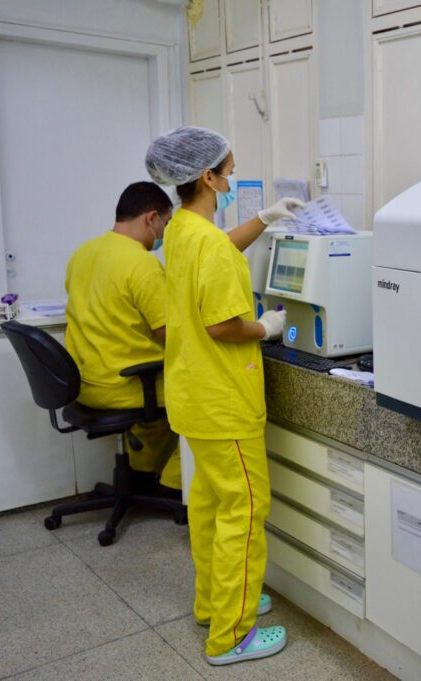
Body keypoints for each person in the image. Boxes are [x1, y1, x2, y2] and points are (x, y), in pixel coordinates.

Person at [145, 126, 302, 665]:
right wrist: (267, 326)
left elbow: (219, 249)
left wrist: (266, 219)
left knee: (212, 507)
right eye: (229, 174)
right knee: (245, 511)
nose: (233, 183)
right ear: (208, 177)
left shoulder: (180, 230)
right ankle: (231, 636)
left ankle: (215, 603)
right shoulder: (205, 243)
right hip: (224, 402)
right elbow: (223, 326)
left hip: (191, 396)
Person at [65, 181, 181, 492]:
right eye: (166, 223)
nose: (165, 233)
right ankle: (172, 485)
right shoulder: (142, 265)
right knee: (204, 395)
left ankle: (141, 475)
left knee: (159, 393)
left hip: (83, 384)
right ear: (151, 218)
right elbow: (171, 335)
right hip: (123, 387)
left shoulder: (83, 253)